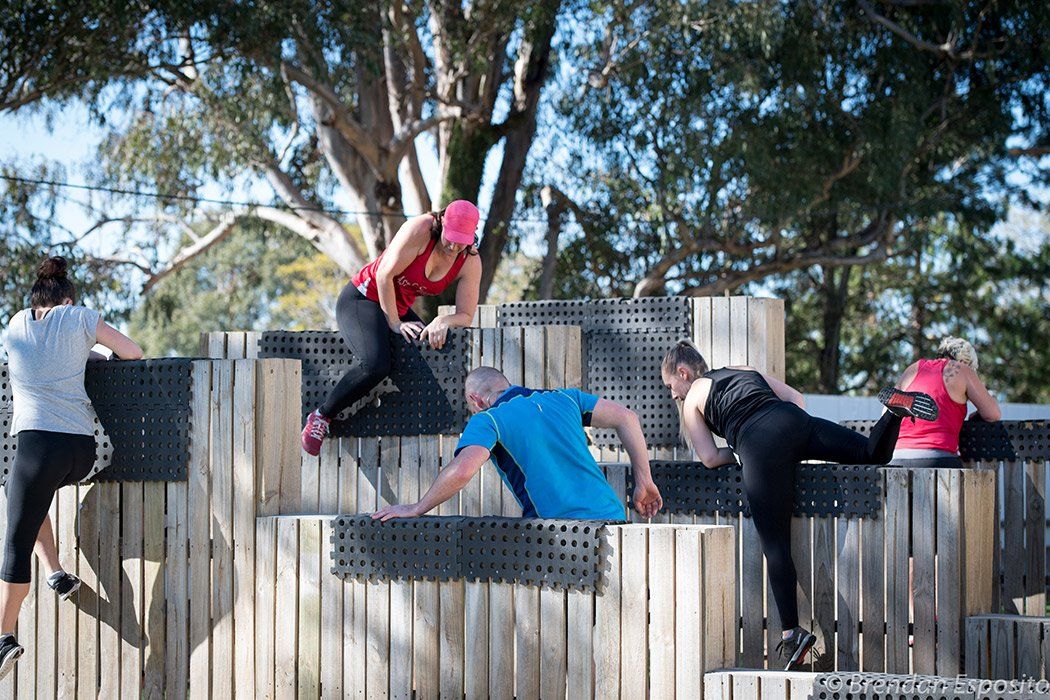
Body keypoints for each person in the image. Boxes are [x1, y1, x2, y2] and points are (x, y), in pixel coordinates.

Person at [660, 340, 937, 670]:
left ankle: (792, 632)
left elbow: (707, 457)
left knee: (775, 544)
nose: (674, 394)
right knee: (872, 455)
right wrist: (796, 438)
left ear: (683, 372)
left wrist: (740, 453)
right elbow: (796, 398)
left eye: (670, 386)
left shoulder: (693, 398)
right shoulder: (743, 368)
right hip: (794, 421)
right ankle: (893, 412)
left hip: (758, 444)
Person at [0, 256, 143, 678]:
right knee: (25, 495)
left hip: (36, 448)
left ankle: (3, 638)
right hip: (84, 453)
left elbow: (37, 365)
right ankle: (57, 573)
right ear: (68, 299)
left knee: (14, 543)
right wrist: (90, 357)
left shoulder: (15, 325)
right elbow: (133, 352)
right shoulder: (81, 317)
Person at [301, 200, 484, 456]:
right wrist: (395, 324)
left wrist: (443, 320)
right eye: (450, 237)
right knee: (376, 365)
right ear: (442, 222)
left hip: (396, 309)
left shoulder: (470, 261)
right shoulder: (419, 229)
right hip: (364, 299)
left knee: (428, 367)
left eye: (461, 240)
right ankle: (321, 416)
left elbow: (465, 315)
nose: (454, 246)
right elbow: (384, 275)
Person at [372, 366, 663, 522]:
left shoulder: (489, 419)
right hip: (615, 520)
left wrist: (417, 507)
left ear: (475, 400)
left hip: (564, 533)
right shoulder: (565, 398)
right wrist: (644, 481)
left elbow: (461, 472)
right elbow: (627, 417)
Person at [891, 337, 1001, 468]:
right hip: (937, 458)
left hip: (896, 457)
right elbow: (993, 414)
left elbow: (887, 411)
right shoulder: (961, 369)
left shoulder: (913, 369)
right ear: (967, 362)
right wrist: (974, 416)